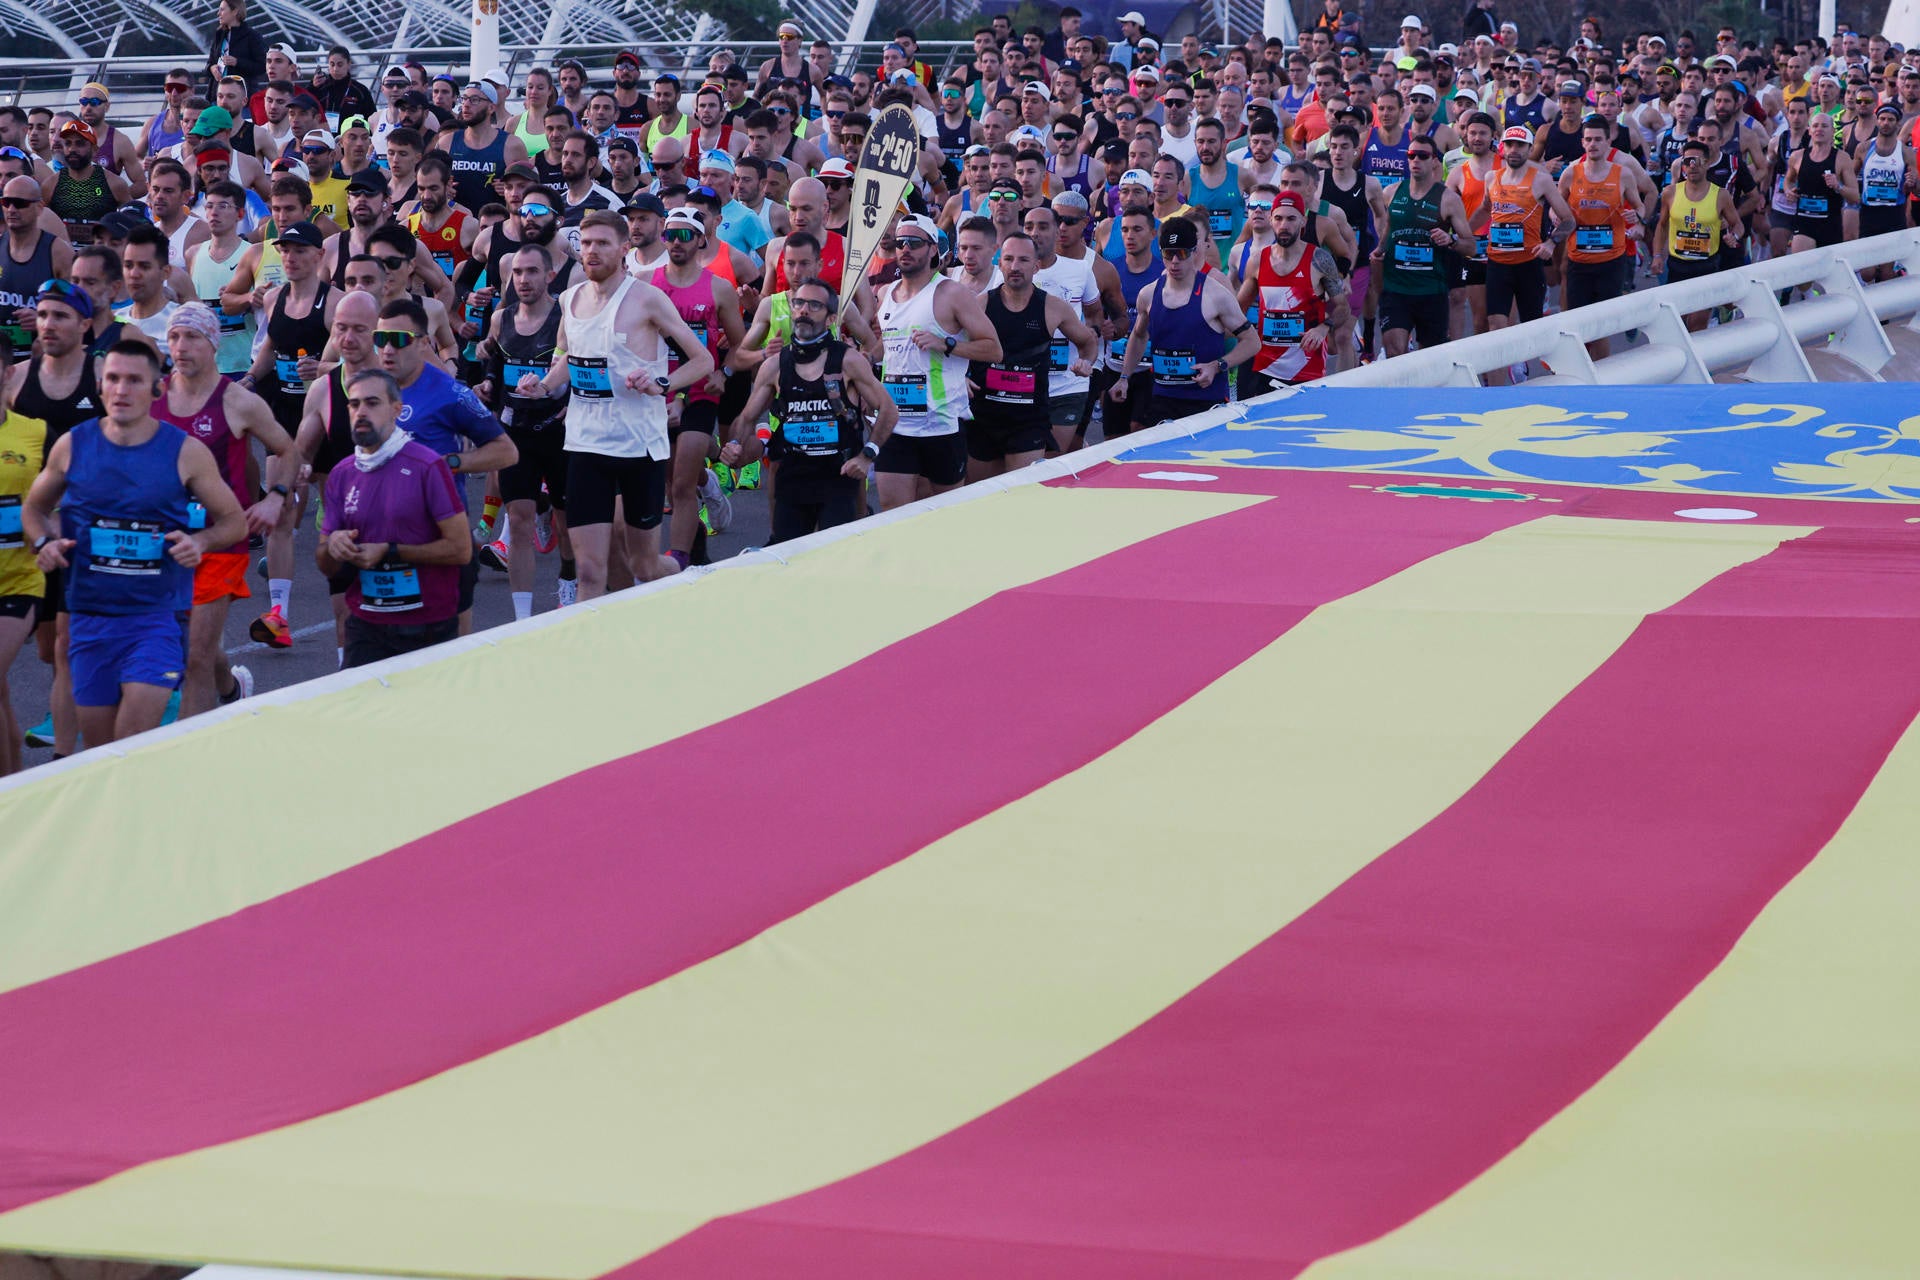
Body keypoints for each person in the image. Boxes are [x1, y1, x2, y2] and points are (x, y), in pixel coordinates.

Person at [22, 341, 248, 745]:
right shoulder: (73, 446)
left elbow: (233, 522)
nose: (122, 390)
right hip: (90, 619)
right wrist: (44, 543)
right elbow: (34, 509)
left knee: (132, 739)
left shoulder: (186, 452)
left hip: (155, 620)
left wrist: (202, 541)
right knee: (100, 748)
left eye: (133, 380)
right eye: (113, 379)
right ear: (100, 386)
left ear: (156, 388)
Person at [515, 210, 712, 598]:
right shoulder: (570, 300)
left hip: (639, 449)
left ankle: (693, 574)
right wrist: (543, 385)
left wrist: (663, 383)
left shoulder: (648, 299)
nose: (592, 251)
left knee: (645, 564)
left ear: (624, 249)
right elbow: (567, 358)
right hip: (586, 446)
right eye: (586, 244)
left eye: (602, 243)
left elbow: (702, 359)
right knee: (590, 571)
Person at [154, 304, 297, 715]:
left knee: (194, 654)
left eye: (192, 337)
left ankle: (190, 750)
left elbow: (286, 448)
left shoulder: (237, 401)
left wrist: (274, 497)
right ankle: (232, 689)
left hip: (220, 538)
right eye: (175, 336)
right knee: (195, 642)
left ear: (214, 344)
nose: (181, 347)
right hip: (164, 540)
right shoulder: (154, 395)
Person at [316, 367, 471, 666]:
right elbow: (325, 565)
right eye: (354, 404)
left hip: (428, 627)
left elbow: (461, 549)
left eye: (372, 403)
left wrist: (391, 551)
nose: (361, 411)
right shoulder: (342, 474)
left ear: (396, 410)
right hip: (365, 626)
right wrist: (333, 546)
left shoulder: (427, 466)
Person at [722, 278, 895, 542]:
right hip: (793, 477)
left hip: (838, 477)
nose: (804, 310)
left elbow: (888, 410)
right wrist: (734, 443)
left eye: (814, 305)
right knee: (787, 553)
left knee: (835, 556)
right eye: (799, 303)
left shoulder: (848, 360)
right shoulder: (776, 365)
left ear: (831, 319)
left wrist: (867, 456)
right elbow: (746, 418)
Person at [873, 214, 1000, 511]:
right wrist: (865, 360)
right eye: (900, 242)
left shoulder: (951, 293)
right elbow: (890, 345)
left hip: (940, 425)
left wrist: (947, 344)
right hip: (895, 423)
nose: (905, 248)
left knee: (944, 517)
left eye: (914, 243)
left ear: (932, 250)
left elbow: (994, 349)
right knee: (893, 515)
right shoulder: (885, 294)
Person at [652, 206, 745, 568]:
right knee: (671, 479)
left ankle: (679, 562)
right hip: (660, 391)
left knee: (680, 483)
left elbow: (740, 343)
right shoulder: (648, 283)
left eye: (685, 235)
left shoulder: (719, 288)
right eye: (670, 235)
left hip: (701, 391)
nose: (676, 241)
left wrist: (726, 374)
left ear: (701, 240)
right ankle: (699, 545)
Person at [967, 231, 1098, 480]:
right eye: (1009, 259)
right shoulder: (981, 304)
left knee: (1020, 494)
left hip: (1029, 420)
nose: (1015, 267)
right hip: (984, 417)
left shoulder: (1053, 306)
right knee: (980, 499)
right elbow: (954, 347)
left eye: (1024, 260)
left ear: (1036, 266)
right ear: (999, 263)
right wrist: (960, 376)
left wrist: (1086, 361)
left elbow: (1087, 341)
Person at [1111, 216, 1259, 428]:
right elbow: (1139, 335)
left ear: (1194, 252)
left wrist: (1217, 366)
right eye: (1168, 254)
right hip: (1163, 397)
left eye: (1181, 254)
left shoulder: (1216, 294)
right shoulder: (1149, 294)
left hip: (1206, 401)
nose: (1174, 262)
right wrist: (1125, 376)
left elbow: (1252, 341)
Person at [1239, 191, 1350, 391]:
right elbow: (1238, 310)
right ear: (1271, 220)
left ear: (1303, 221)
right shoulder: (1257, 260)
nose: (1284, 225)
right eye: (1278, 218)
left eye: (1291, 219)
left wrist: (1323, 328)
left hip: (1307, 368)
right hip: (1265, 366)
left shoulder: (1319, 259)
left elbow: (1342, 308)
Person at [1374, 139, 1475, 357]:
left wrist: (1451, 241)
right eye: (1411, 155)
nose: (1416, 160)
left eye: (1422, 156)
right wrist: (1380, 248)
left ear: (1434, 162)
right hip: (1396, 289)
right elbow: (1390, 226)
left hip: (1431, 291)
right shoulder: (1391, 192)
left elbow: (1471, 247)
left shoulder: (1448, 199)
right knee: (1394, 350)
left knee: (1430, 358)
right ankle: (1402, 392)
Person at [0, 337, 46, 774]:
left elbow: (60, 494)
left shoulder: (33, 431)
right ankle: (13, 789)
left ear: (7, 372)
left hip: (21, 580)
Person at [1650, 139, 1743, 330]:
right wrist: (1657, 256)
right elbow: (1661, 225)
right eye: (1687, 161)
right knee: (1678, 324)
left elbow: (1738, 225)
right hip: (1677, 266)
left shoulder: (1721, 195)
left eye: (1698, 161)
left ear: (1707, 164)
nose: (1692, 166)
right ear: (1682, 165)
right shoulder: (1670, 193)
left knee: (1697, 323)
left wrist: (1735, 237)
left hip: (1706, 267)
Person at [206, 0, 265, 97]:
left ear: (235, 11)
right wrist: (212, 68)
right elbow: (210, 63)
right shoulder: (219, 35)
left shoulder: (252, 36)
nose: (218, 13)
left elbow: (262, 66)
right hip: (216, 96)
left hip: (242, 99)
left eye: (222, 10)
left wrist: (237, 62)